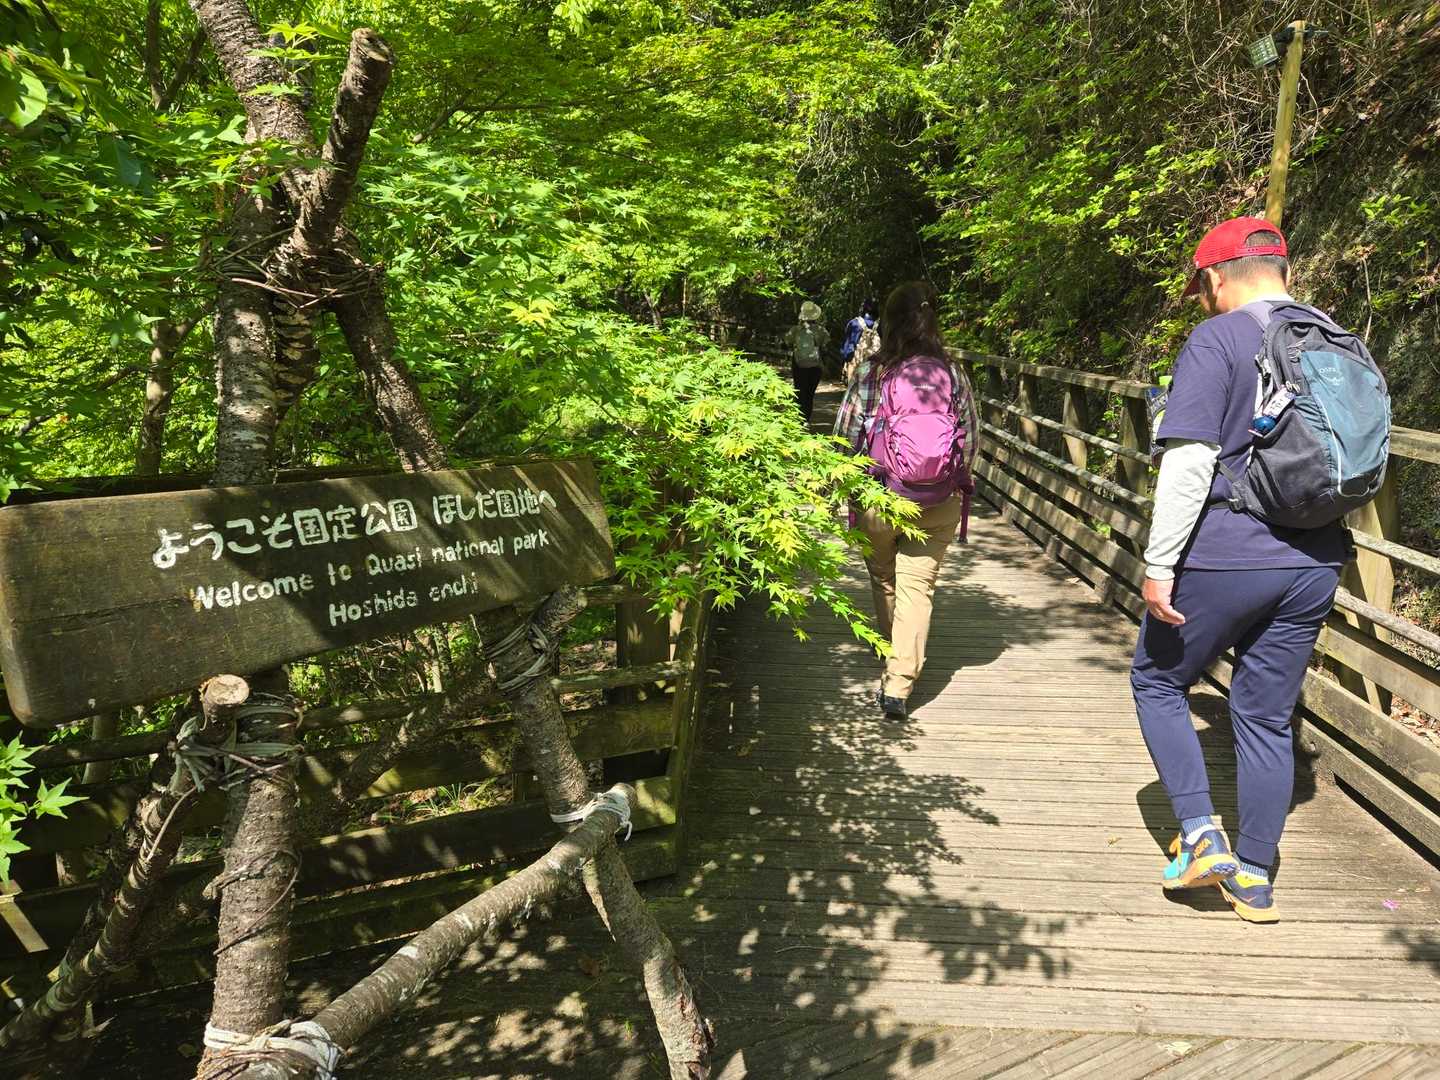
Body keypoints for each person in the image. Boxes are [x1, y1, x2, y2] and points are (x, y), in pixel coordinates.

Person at [1130, 217, 1350, 924]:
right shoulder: (1334, 338)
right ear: (1285, 272)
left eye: (1201, 289)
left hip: (1228, 553)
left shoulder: (1216, 338)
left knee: (1157, 680)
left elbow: (1190, 461)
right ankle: (1254, 877)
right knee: (1263, 715)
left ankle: (1201, 836)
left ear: (1215, 277)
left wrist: (1159, 563)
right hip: (1315, 560)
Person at [834, 281, 978, 720]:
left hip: (880, 497)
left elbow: (845, 437)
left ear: (889, 322)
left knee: (884, 577)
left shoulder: (872, 372)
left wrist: (841, 490)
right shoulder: (952, 372)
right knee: (919, 588)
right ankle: (898, 684)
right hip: (939, 499)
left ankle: (890, 652)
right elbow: (971, 440)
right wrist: (950, 480)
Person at [784, 300, 830, 424]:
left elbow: (787, 342)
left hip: (798, 363)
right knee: (810, 392)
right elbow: (826, 347)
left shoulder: (795, 329)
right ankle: (806, 419)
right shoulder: (821, 330)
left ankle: (798, 418)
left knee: (799, 390)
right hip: (816, 364)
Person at [840, 299, 880, 382]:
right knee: (869, 385)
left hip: (856, 360)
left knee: (854, 385)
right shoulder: (880, 325)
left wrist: (846, 360)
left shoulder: (854, 323)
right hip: (874, 362)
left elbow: (847, 345)